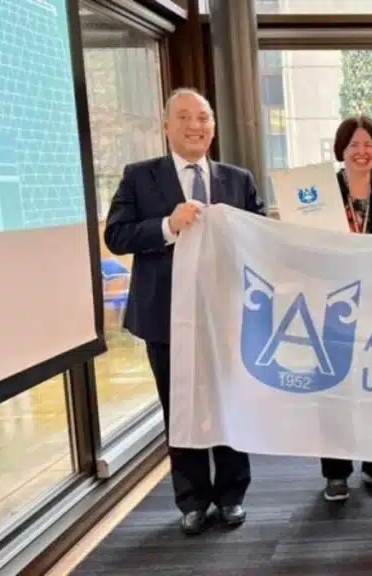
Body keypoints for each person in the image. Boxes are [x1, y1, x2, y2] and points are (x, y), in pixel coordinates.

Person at [103, 88, 264, 535]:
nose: (196, 126)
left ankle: (232, 495)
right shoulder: (140, 177)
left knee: (229, 404)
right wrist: (167, 225)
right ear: (167, 125)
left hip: (226, 316)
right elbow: (116, 235)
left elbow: (258, 232)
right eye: (185, 117)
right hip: (165, 317)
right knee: (181, 406)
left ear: (213, 126)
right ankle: (192, 500)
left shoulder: (238, 179)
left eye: (204, 117)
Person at [319, 115, 372, 503]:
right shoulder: (318, 194)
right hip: (331, 304)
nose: (361, 151)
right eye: (353, 144)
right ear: (341, 149)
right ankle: (336, 472)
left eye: (368, 144)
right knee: (334, 389)